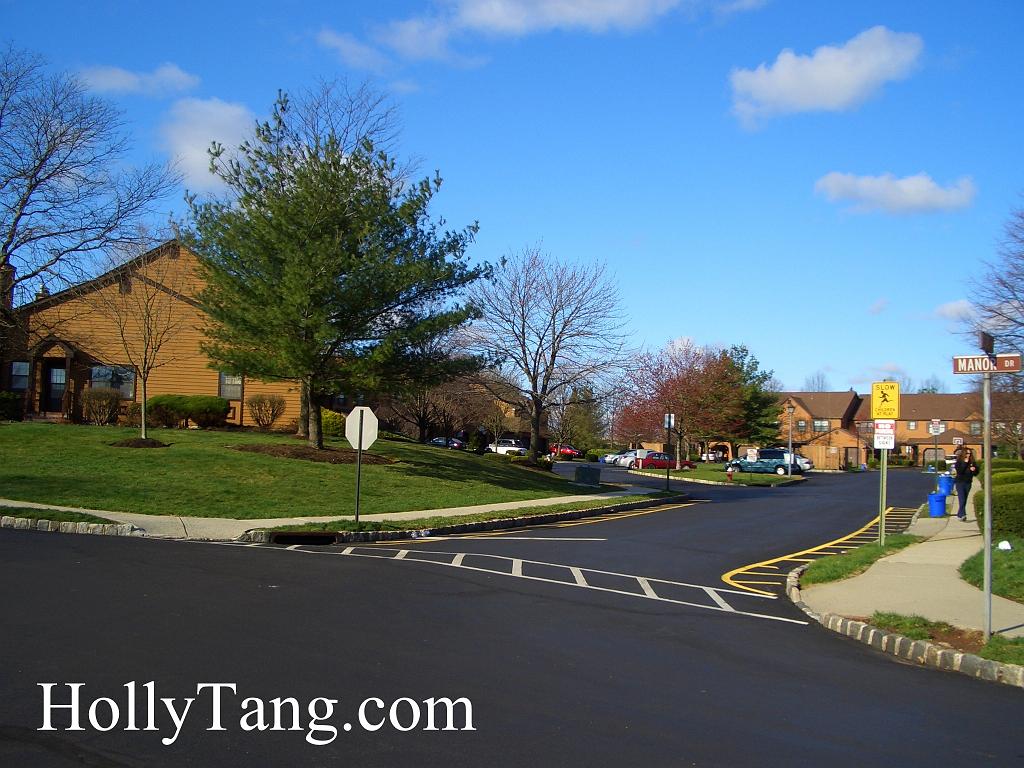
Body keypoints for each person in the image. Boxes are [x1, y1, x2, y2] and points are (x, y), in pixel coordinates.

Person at [952, 448, 979, 521]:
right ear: (963, 454)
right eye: (967, 453)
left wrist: (974, 470)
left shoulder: (972, 462)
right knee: (962, 499)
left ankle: (959, 514)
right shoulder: (959, 462)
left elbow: (976, 473)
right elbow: (960, 471)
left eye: (970, 454)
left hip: (968, 483)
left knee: (965, 499)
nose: (968, 455)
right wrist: (965, 463)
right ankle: (962, 515)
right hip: (960, 482)